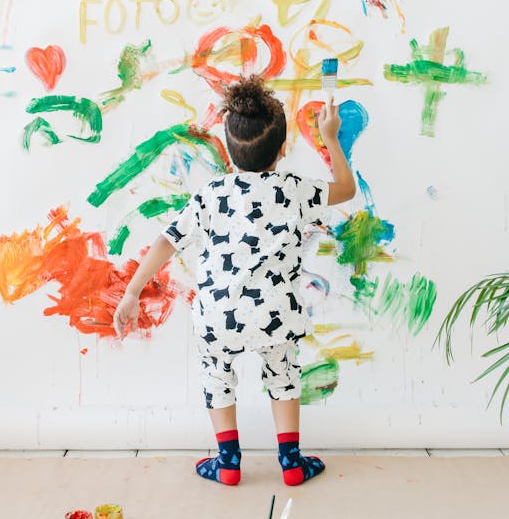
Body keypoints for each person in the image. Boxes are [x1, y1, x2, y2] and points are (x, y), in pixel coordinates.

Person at [113, 74, 356, 485]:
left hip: (218, 317)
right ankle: (291, 463)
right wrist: (330, 137)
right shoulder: (295, 190)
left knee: (216, 375)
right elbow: (346, 189)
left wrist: (133, 291)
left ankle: (227, 463)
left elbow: (166, 242)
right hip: (276, 315)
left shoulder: (211, 193)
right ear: (282, 149)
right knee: (283, 376)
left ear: (229, 150)